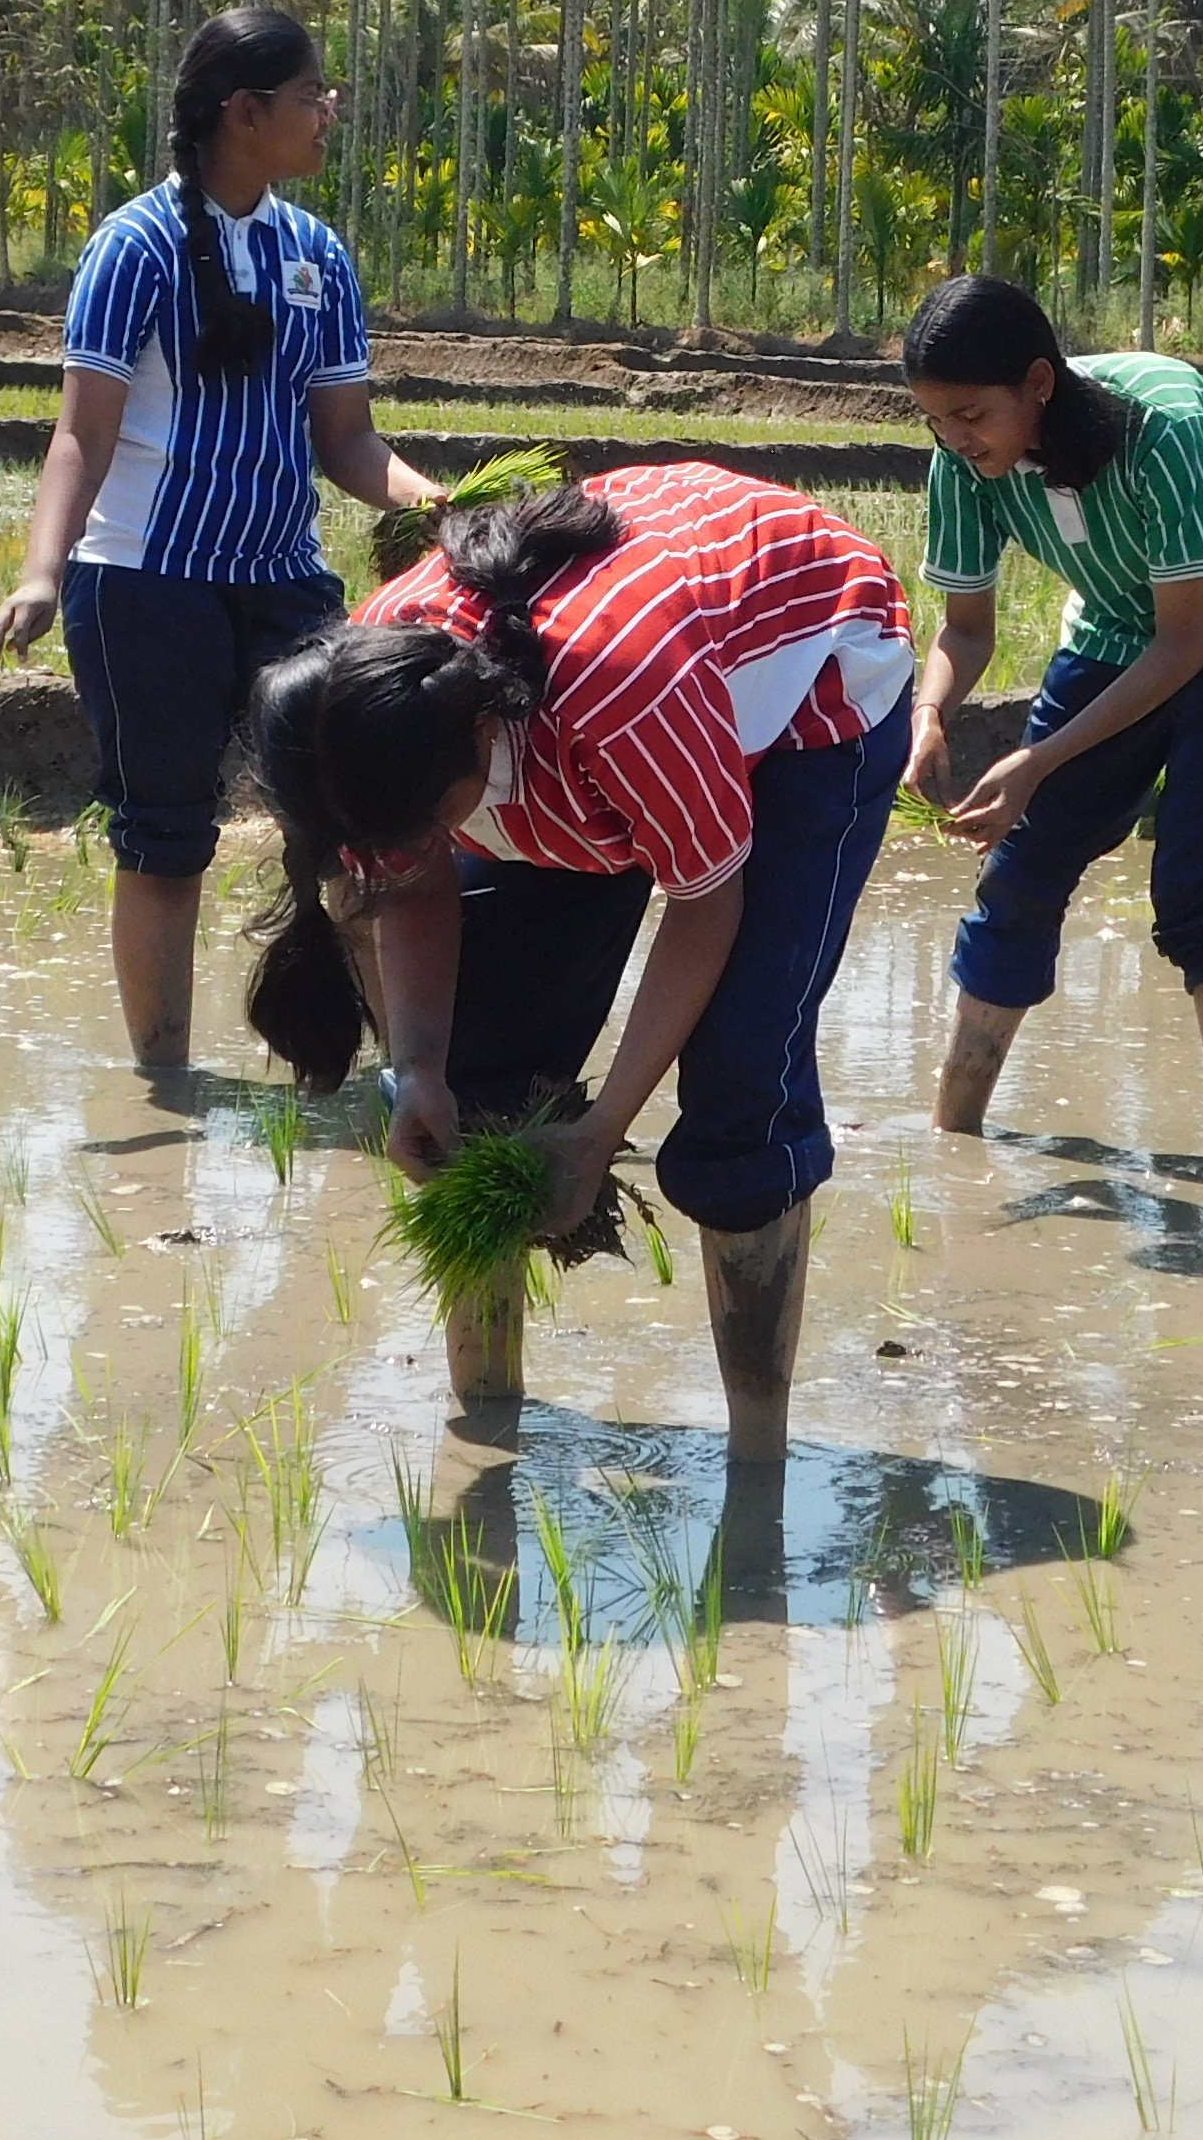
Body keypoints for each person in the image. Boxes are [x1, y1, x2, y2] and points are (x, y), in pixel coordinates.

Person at [241, 461, 914, 1458]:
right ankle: (487, 1429)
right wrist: (417, 1068)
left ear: (480, 735)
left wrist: (601, 1132)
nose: (394, 861)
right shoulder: (370, 696)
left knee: (740, 1082)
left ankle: (757, 1461)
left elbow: (705, 899)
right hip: (595, 724)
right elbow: (408, 880)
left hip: (806, 672)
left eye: (422, 829)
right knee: (469, 1068)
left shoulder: (621, 694)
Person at [0, 7, 440, 1067]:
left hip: (288, 590)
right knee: (165, 839)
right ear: (246, 113)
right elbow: (80, 435)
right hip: (148, 589)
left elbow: (349, 441)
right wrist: (43, 573)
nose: (329, 112)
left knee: (355, 825)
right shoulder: (134, 246)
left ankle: (404, 1076)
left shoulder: (315, 252)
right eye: (309, 95)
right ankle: (164, 1080)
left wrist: (438, 505)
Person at [901, 275, 1203, 1184]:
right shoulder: (965, 463)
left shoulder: (1152, 432)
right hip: (1121, 609)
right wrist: (929, 713)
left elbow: (1184, 644)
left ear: (1039, 385)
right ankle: (952, 1134)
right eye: (936, 420)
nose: (954, 438)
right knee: (1022, 867)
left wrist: (1036, 760)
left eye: (970, 413)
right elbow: (965, 629)